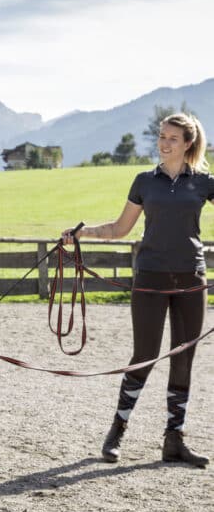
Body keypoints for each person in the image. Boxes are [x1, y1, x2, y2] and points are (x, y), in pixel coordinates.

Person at [62, 112, 211, 468]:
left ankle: (174, 441)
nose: (164, 143)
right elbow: (119, 228)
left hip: (192, 279)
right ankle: (117, 430)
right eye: (161, 136)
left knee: (183, 357)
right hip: (150, 278)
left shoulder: (205, 183)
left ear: (187, 144)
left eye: (172, 138)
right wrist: (82, 233)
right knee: (144, 355)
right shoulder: (145, 181)